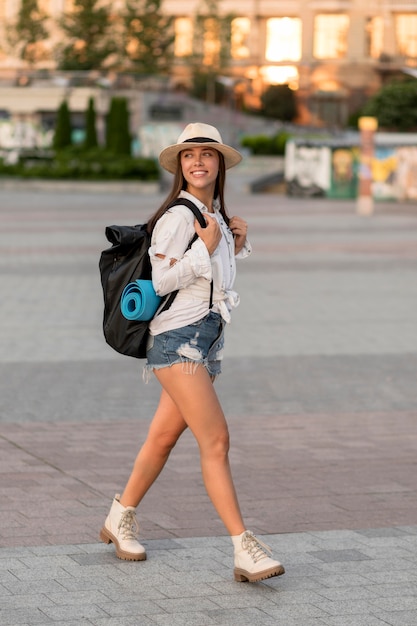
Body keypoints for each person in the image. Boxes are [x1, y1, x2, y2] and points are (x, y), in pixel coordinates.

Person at [100, 123, 285, 583]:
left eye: (207, 154)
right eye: (189, 155)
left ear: (219, 164)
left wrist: (233, 246)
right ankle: (245, 548)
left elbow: (210, 279)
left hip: (207, 340)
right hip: (176, 340)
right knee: (217, 441)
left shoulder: (214, 215)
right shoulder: (178, 217)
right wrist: (206, 249)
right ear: (179, 166)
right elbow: (161, 281)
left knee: (162, 439)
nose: (198, 161)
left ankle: (118, 517)